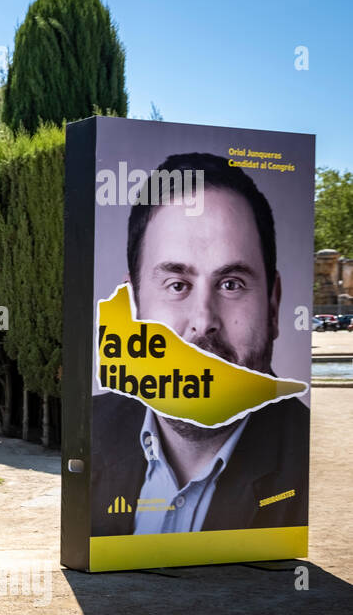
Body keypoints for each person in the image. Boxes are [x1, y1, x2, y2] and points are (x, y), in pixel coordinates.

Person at [91, 152, 308, 537]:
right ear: (133, 303)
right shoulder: (88, 430)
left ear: (273, 306)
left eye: (231, 284)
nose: (204, 321)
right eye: (177, 285)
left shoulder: (302, 462)